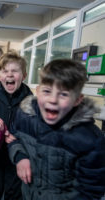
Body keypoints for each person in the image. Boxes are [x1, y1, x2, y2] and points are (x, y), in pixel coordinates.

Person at [8, 59, 105, 199]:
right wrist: (20, 157)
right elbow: (13, 138)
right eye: (47, 91)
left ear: (78, 99)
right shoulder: (25, 117)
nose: (53, 99)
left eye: (63, 94)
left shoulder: (90, 140)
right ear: (38, 91)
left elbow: (91, 189)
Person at [0, 51, 32, 200]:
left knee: (14, 193)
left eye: (15, 71)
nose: (10, 75)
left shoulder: (30, 100)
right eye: (5, 71)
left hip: (18, 156)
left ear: (24, 76)